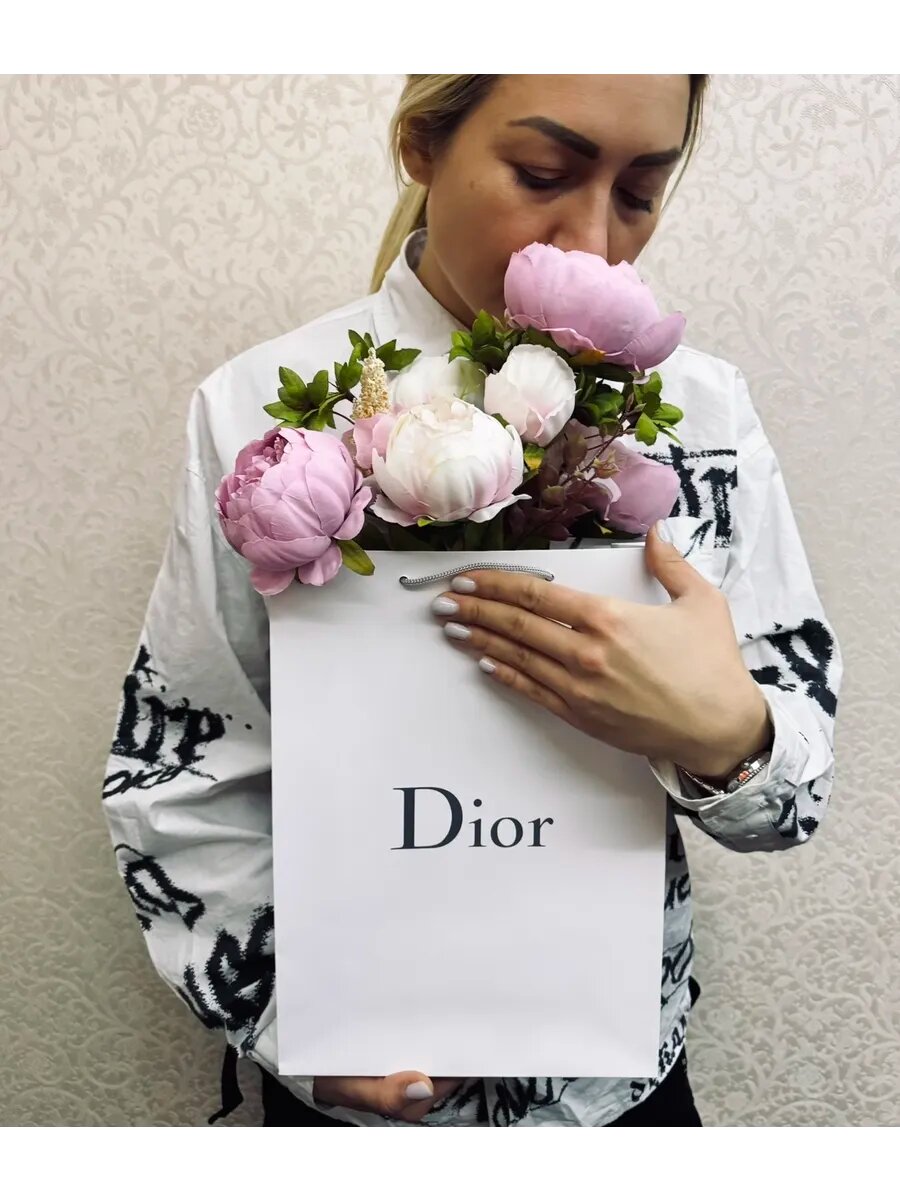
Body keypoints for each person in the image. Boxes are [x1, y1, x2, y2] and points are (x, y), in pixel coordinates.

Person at [101, 74, 842, 1128]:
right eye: (543, 173)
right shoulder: (261, 411)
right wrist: (288, 1022)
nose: (593, 241)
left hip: (617, 1095)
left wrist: (725, 734)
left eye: (641, 192)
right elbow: (184, 763)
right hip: (354, 1086)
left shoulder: (704, 413)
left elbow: (794, 788)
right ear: (423, 145)